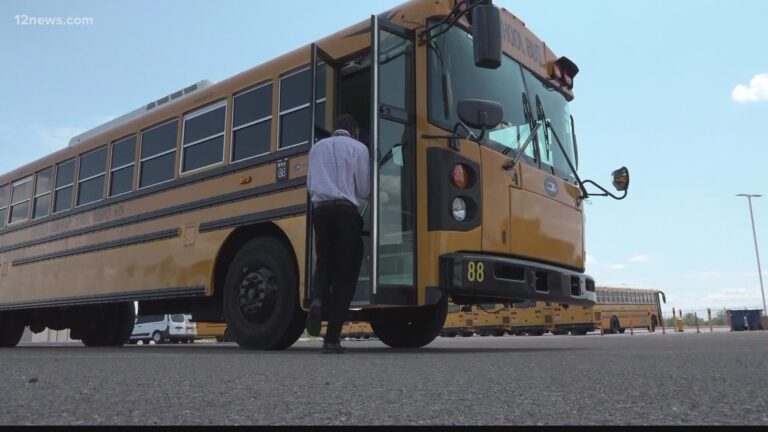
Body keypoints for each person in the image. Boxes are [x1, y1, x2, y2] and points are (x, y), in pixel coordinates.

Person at [306, 114, 369, 354]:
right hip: (345, 212)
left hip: (321, 211)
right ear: (353, 130)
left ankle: (317, 300)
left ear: (336, 129)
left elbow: (311, 185)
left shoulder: (316, 148)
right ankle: (332, 339)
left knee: (324, 263)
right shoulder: (358, 148)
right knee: (346, 274)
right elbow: (363, 188)